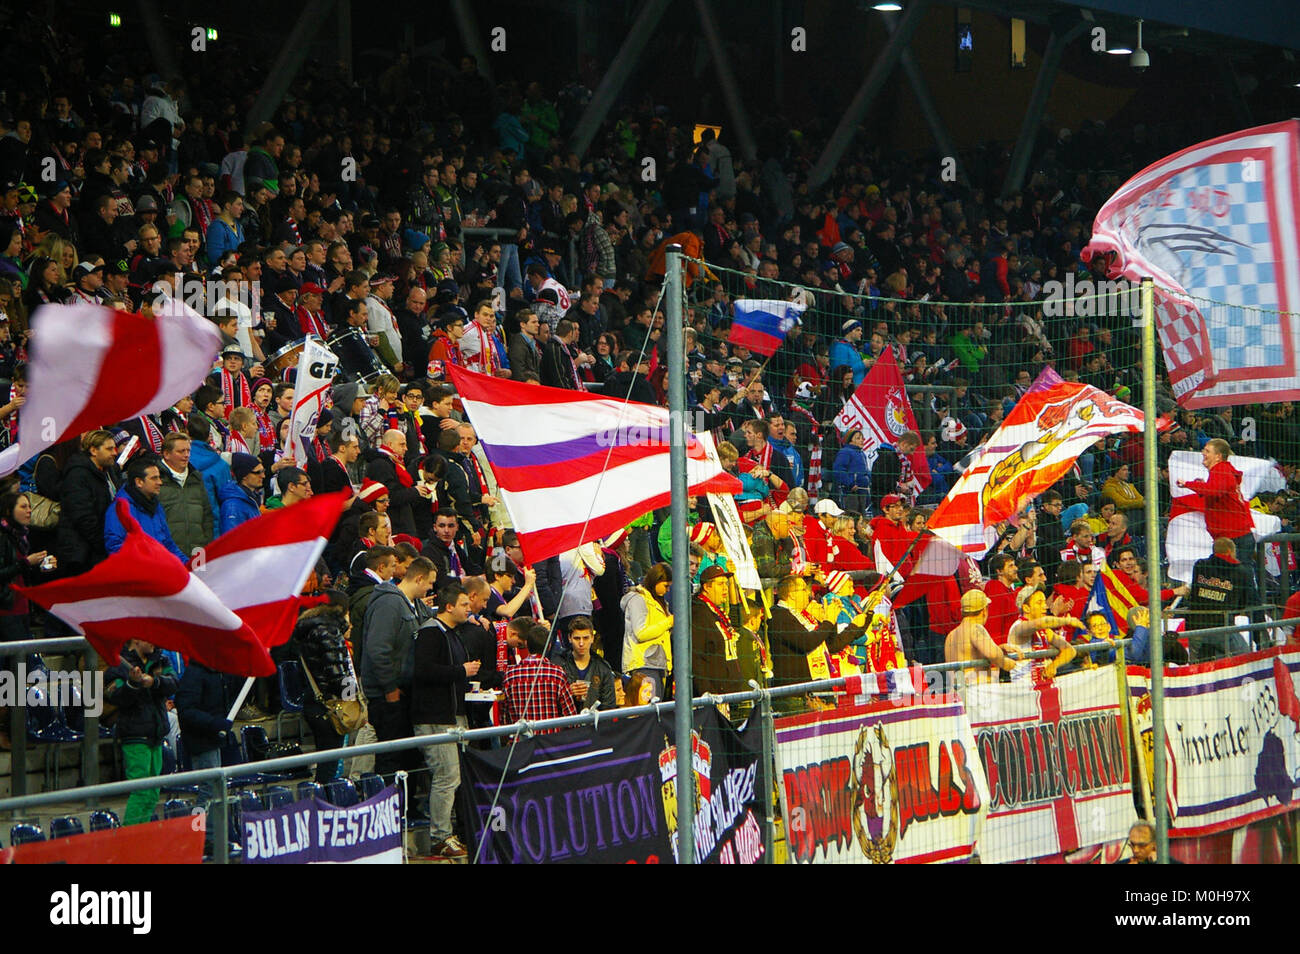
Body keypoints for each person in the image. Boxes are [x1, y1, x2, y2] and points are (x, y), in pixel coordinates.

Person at [410, 579, 477, 859]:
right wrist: (460, 671)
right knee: (446, 776)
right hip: (434, 716)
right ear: (448, 606)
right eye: (464, 604)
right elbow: (423, 671)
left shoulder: (453, 633)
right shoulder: (431, 633)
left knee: (454, 776)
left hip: (453, 713)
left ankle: (448, 830)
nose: (469, 608)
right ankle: (440, 836)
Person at [359, 555, 436, 784]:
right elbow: (377, 649)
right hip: (389, 697)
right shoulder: (388, 603)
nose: (432, 588)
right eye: (430, 583)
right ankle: (391, 808)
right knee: (391, 756)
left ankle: (407, 808)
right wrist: (389, 688)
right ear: (419, 578)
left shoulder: (416, 605)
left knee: (408, 756)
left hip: (407, 693)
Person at [105, 637, 178, 825]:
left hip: (156, 734)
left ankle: (142, 837)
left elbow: (173, 682)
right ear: (136, 640)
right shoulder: (118, 664)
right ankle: (129, 839)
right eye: (148, 636)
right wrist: (133, 683)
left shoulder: (161, 659)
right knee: (141, 792)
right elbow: (115, 697)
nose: (154, 641)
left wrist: (153, 682)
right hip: (135, 736)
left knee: (153, 794)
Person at [767, 574, 866, 710]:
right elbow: (806, 643)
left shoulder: (803, 615)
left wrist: (832, 619)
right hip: (795, 697)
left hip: (816, 691)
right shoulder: (778, 615)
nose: (808, 593)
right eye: (803, 589)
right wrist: (827, 622)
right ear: (791, 595)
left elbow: (831, 645)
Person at [1177, 438, 1256, 568]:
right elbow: (1218, 491)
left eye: (1207, 451)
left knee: (1237, 580)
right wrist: (1202, 485)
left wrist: (1188, 484)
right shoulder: (1221, 471)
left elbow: (1215, 490)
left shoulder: (1221, 470)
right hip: (1233, 536)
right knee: (1234, 579)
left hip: (1234, 538)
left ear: (1218, 456)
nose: (1203, 453)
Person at [174, 659, 241, 798]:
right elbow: (186, 710)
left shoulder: (218, 672)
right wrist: (214, 723)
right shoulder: (195, 674)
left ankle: (214, 820)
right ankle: (199, 820)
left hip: (217, 740)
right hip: (202, 743)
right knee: (209, 792)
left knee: (217, 793)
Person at [56, 429, 118, 575]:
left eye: (114, 448)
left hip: (102, 547)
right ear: (93, 450)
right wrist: (103, 544)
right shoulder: (77, 474)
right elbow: (83, 517)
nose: (114, 452)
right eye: (109, 449)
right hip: (83, 554)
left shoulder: (108, 471)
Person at [1186, 537, 1259, 660]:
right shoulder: (1241, 571)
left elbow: (1194, 592)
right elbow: (1243, 602)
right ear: (1230, 551)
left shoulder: (1200, 565)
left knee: (1198, 663)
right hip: (1222, 626)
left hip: (1196, 625)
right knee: (1245, 657)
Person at [104, 456, 187, 563]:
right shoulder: (120, 509)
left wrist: (188, 565)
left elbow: (168, 544)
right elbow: (116, 546)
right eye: (154, 478)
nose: (160, 482)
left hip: (160, 571)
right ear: (139, 482)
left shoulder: (156, 506)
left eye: (159, 477)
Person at [502, 622, 578, 729]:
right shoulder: (557, 674)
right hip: (550, 742)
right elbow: (571, 718)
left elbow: (504, 717)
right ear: (549, 646)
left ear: (527, 644)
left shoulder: (510, 674)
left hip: (521, 742)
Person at [943, 590, 1021, 684]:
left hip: (959, 692)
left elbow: (970, 653)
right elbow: (993, 654)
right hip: (978, 691)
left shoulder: (950, 636)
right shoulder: (975, 628)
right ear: (984, 610)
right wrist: (1004, 663)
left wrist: (1000, 648)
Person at [158, 431, 214, 560]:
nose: (186, 455)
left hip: (197, 552)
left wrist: (206, 544)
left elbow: (207, 515)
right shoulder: (156, 480)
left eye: (188, 451)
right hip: (167, 555)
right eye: (181, 451)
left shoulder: (196, 478)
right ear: (166, 454)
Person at [621, 562, 673, 699]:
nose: (668, 590)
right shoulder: (637, 600)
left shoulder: (660, 602)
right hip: (643, 664)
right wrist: (668, 622)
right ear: (656, 580)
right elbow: (641, 633)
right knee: (649, 713)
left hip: (658, 664)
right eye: (666, 586)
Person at [559, 615, 618, 710]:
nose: (581, 643)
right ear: (569, 638)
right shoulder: (558, 665)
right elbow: (550, 701)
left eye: (585, 638)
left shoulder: (603, 668)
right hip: (567, 722)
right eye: (577, 638)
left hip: (594, 723)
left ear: (592, 638)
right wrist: (567, 693)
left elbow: (609, 706)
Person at [217, 453, 265, 535]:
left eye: (263, 471)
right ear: (244, 476)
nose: (263, 476)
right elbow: (231, 540)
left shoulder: (250, 498)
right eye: (258, 472)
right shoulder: (233, 506)